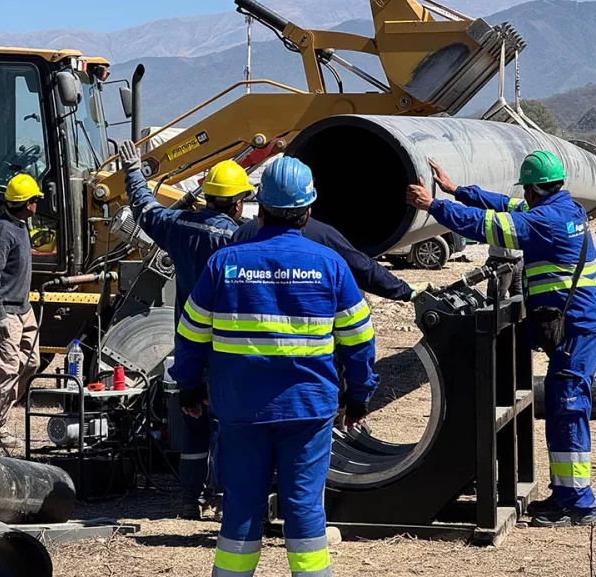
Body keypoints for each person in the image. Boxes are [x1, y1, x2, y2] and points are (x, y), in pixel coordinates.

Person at [174, 156, 377, 576]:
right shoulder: (331, 266)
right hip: (307, 410)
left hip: (240, 409)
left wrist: (190, 387)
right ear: (308, 211)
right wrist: (358, 396)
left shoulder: (224, 264)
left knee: (241, 507)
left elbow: (190, 334)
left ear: (260, 209)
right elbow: (359, 341)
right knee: (304, 507)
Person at [408, 152, 596, 528]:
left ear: (534, 189)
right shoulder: (564, 208)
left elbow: (488, 225)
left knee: (567, 407)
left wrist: (434, 205)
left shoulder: (545, 221)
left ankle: (577, 504)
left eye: (526, 191)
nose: (524, 197)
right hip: (577, 322)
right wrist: (458, 190)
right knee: (561, 404)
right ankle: (566, 496)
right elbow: (503, 204)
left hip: (577, 327)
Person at [119, 140, 254, 519]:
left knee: (192, 421)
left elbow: (144, 208)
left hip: (189, 343)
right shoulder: (238, 240)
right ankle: (221, 496)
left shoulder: (177, 227)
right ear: (238, 204)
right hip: (228, 347)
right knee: (227, 423)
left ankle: (190, 498)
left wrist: (133, 173)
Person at [233, 206, 429, 302]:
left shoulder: (242, 235)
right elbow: (361, 267)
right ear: (308, 212)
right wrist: (403, 290)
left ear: (261, 208)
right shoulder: (323, 236)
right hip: (308, 358)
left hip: (244, 358)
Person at [0, 174, 43, 448]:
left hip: (23, 308)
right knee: (6, 370)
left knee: (31, 363)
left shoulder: (21, 226)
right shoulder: (2, 232)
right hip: (5, 310)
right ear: (28, 204)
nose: (38, 204)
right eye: (36, 199)